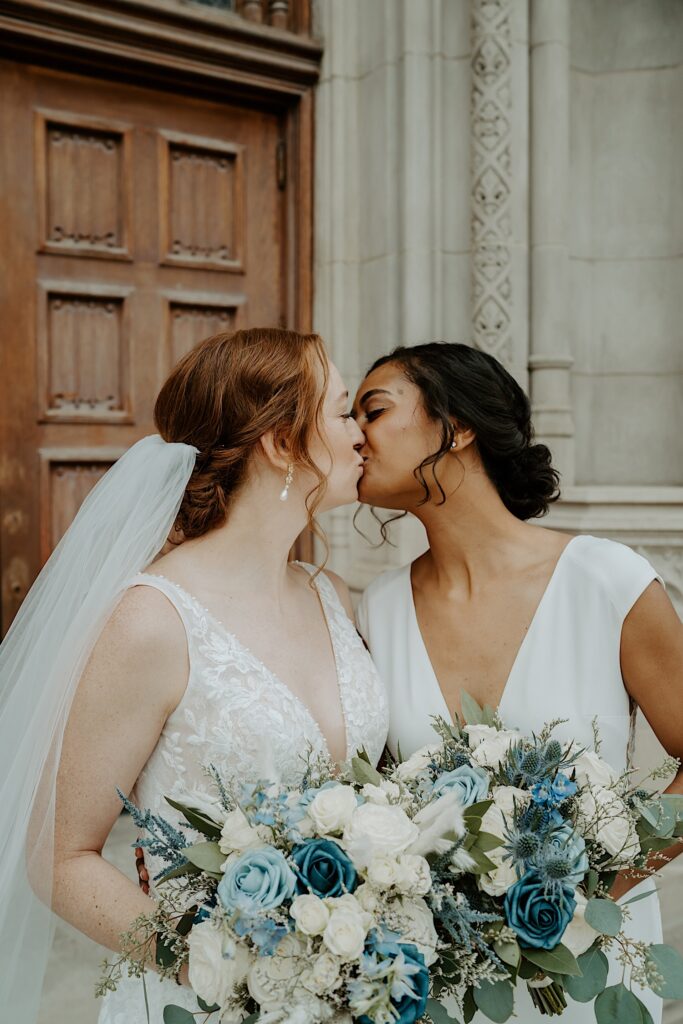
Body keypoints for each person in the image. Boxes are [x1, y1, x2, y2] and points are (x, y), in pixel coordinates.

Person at [0, 327, 388, 1022]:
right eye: (340, 411)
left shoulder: (326, 594)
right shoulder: (152, 621)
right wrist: (224, 973)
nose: (361, 434)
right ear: (280, 442)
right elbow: (57, 857)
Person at [353, 342, 683, 1024]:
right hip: (443, 982)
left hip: (587, 967)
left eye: (373, 410)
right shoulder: (375, 611)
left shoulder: (606, 581)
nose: (353, 434)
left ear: (459, 424)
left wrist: (595, 889)